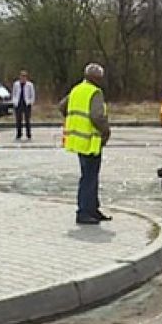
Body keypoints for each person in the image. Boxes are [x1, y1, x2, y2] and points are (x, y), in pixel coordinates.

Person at [59, 63, 112, 225]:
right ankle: (84, 212)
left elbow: (62, 107)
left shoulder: (76, 89)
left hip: (78, 141)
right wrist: (106, 131)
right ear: (97, 78)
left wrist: (74, 121)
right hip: (91, 141)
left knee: (89, 176)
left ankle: (92, 209)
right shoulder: (95, 92)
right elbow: (97, 116)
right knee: (89, 177)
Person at [11, 69, 36, 140]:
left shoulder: (30, 85)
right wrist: (14, 101)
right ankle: (19, 134)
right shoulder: (16, 84)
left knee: (27, 120)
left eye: (24, 76)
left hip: (26, 104)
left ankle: (28, 134)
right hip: (18, 104)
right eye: (22, 76)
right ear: (20, 77)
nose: (23, 78)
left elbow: (32, 94)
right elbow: (14, 93)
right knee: (18, 120)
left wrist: (31, 102)